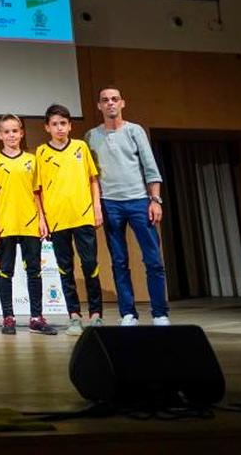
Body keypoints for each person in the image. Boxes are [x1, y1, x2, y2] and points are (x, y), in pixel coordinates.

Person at [85, 86, 170, 326]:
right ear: (99, 106)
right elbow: (90, 176)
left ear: (122, 103)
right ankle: (128, 313)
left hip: (139, 201)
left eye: (114, 99)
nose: (110, 103)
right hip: (109, 203)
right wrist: (96, 206)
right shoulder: (91, 136)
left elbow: (150, 167)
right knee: (119, 261)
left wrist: (155, 200)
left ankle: (160, 313)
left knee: (153, 259)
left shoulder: (135, 131)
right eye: (105, 100)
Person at [36, 103, 103, 336]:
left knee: (90, 265)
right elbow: (38, 190)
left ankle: (96, 314)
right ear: (47, 128)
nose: (59, 128)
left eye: (63, 123)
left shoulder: (81, 147)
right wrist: (42, 218)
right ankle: (74, 315)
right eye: (54, 124)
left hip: (83, 216)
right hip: (57, 220)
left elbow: (93, 179)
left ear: (70, 125)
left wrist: (96, 207)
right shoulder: (41, 153)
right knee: (65, 269)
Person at [0, 114, 55, 336]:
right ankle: (8, 317)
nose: (11, 135)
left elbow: (37, 193)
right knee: (5, 271)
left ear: (21, 133)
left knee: (34, 270)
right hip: (5, 223)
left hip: (30, 223)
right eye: (6, 131)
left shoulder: (32, 160)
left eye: (15, 131)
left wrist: (42, 218)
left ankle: (36, 316)